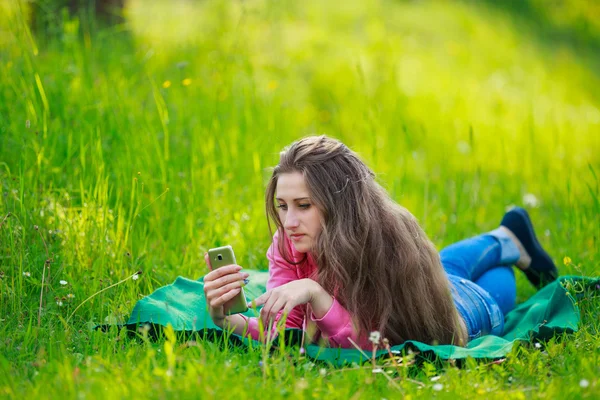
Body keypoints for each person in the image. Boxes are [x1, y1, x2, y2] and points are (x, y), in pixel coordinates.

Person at [203, 136, 558, 349]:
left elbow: (372, 344)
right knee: (449, 267)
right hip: (436, 281)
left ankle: (507, 243)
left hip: (465, 309)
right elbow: (288, 335)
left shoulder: (384, 245)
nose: (289, 222)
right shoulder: (289, 242)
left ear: (340, 204)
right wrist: (225, 319)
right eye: (282, 206)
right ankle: (508, 234)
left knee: (475, 286)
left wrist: (315, 291)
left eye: (304, 205)